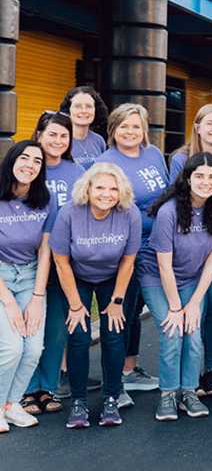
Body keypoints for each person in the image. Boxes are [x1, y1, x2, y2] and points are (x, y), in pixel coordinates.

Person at [142, 153, 212, 421]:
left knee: (192, 334)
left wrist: (193, 304)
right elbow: (163, 265)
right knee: (173, 331)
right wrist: (175, 307)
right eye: (200, 175)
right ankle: (168, 395)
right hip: (157, 278)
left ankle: (189, 392)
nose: (206, 181)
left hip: (192, 279)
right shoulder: (170, 211)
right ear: (188, 178)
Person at [51, 163, 141, 428]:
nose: (107, 194)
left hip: (114, 276)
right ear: (88, 188)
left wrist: (117, 301)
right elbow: (61, 261)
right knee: (78, 334)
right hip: (76, 274)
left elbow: (128, 260)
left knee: (114, 334)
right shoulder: (69, 213)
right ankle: (78, 402)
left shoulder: (130, 213)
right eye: (100, 187)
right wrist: (77, 305)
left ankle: (111, 398)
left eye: (113, 188)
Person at [95, 104, 167, 399]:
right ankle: (114, 385)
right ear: (113, 130)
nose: (130, 132)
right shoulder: (106, 162)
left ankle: (129, 370)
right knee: (120, 311)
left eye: (136, 126)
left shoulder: (153, 155)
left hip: (155, 245)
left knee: (135, 310)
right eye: (124, 126)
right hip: (125, 248)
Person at [21, 113, 84, 415]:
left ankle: (48, 387)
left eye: (64, 136)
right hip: (28, 259)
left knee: (56, 328)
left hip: (63, 260)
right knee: (28, 325)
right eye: (52, 135)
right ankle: (27, 389)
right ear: (39, 134)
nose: (58, 141)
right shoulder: (29, 167)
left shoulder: (77, 172)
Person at [0, 141, 55, 432]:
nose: (30, 165)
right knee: (10, 347)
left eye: (37, 161)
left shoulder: (45, 200)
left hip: (31, 277)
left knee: (33, 348)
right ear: (11, 160)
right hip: (1, 279)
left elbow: (45, 251)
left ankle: (11, 404)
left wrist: (37, 296)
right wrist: (8, 301)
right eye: (24, 158)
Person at [60, 86, 107, 169]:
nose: (84, 111)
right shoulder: (60, 140)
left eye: (89, 106)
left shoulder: (99, 141)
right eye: (77, 106)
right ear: (68, 110)